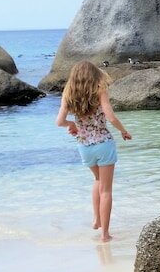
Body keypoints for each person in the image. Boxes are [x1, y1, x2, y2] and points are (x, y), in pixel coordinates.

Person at [56, 61, 132, 241]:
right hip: (103, 144)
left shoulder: (69, 93)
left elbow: (59, 121)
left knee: (97, 180)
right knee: (106, 190)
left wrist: (71, 124)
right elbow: (111, 117)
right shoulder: (99, 89)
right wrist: (123, 131)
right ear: (94, 74)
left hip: (84, 146)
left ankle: (96, 220)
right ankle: (105, 235)